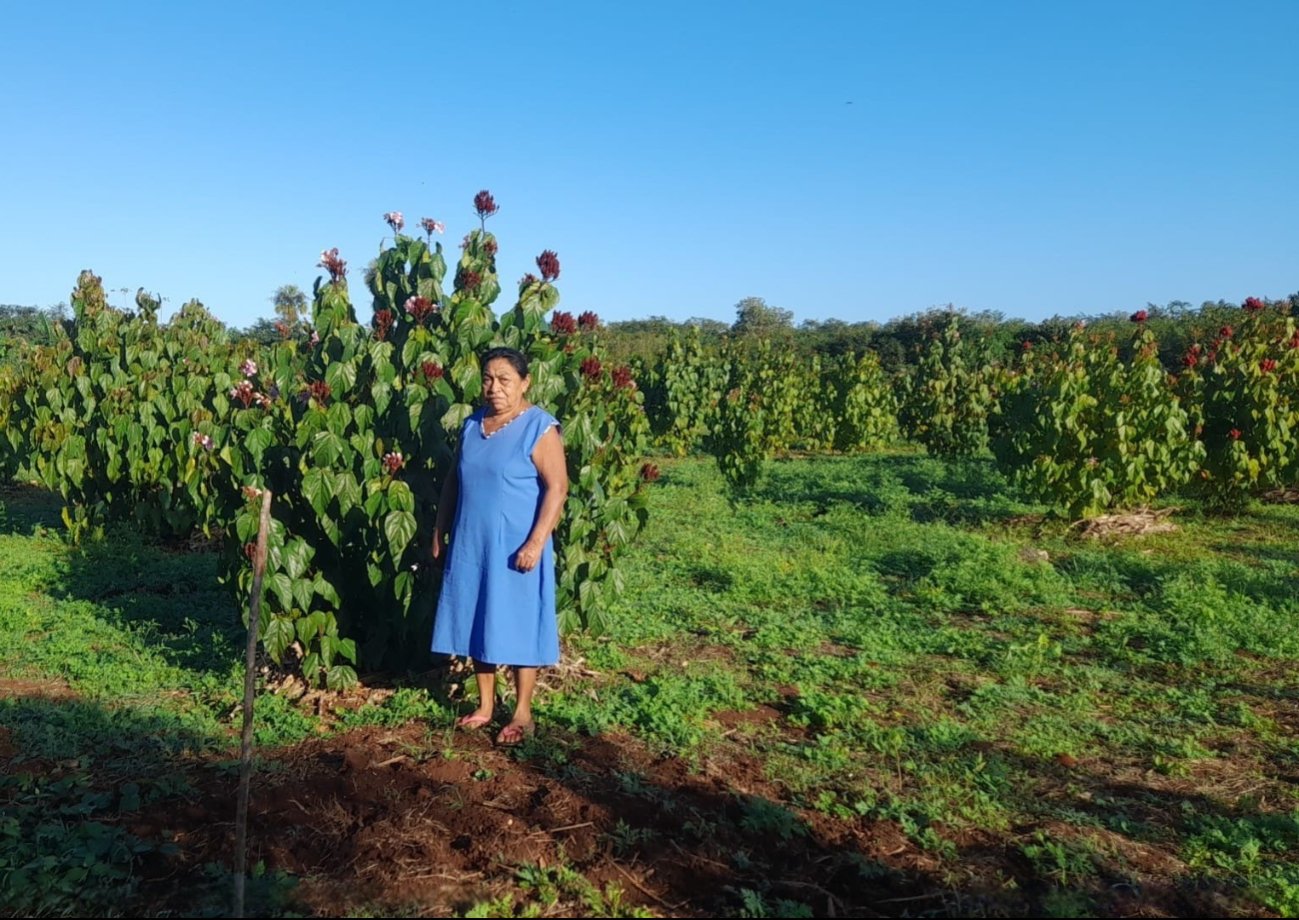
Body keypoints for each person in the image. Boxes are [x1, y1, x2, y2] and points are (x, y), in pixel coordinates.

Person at [430, 347, 568, 745]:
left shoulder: (539, 427)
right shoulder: (473, 426)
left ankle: (523, 713)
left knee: (520, 623)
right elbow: (453, 483)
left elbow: (557, 488)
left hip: (517, 548)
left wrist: (536, 542)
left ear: (525, 382)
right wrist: (439, 530)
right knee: (478, 620)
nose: (494, 388)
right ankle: (486, 704)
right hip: (473, 543)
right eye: (488, 378)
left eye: (505, 379)